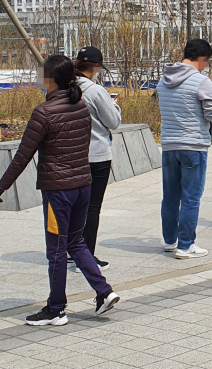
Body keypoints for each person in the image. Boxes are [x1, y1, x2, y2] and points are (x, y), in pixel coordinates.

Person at [0, 55, 119, 326]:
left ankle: (56, 308)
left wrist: (3, 184)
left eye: (40, 76)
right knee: (75, 242)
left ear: (50, 80)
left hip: (58, 192)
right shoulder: (81, 107)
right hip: (82, 185)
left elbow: (23, 155)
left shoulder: (44, 112)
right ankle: (104, 291)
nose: (38, 80)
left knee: (57, 250)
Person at [156, 39, 212, 258]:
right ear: (202, 58)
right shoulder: (200, 81)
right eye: (208, 61)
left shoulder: (163, 81)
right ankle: (186, 245)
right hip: (193, 145)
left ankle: (169, 240)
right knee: (191, 197)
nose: (207, 66)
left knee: (170, 196)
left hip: (168, 145)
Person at [73, 46, 120, 267]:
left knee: (73, 206)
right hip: (97, 155)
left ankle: (72, 250)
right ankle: (87, 255)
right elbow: (113, 122)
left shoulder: (63, 88)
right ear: (96, 67)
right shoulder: (95, 91)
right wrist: (115, 106)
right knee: (92, 207)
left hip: (71, 155)